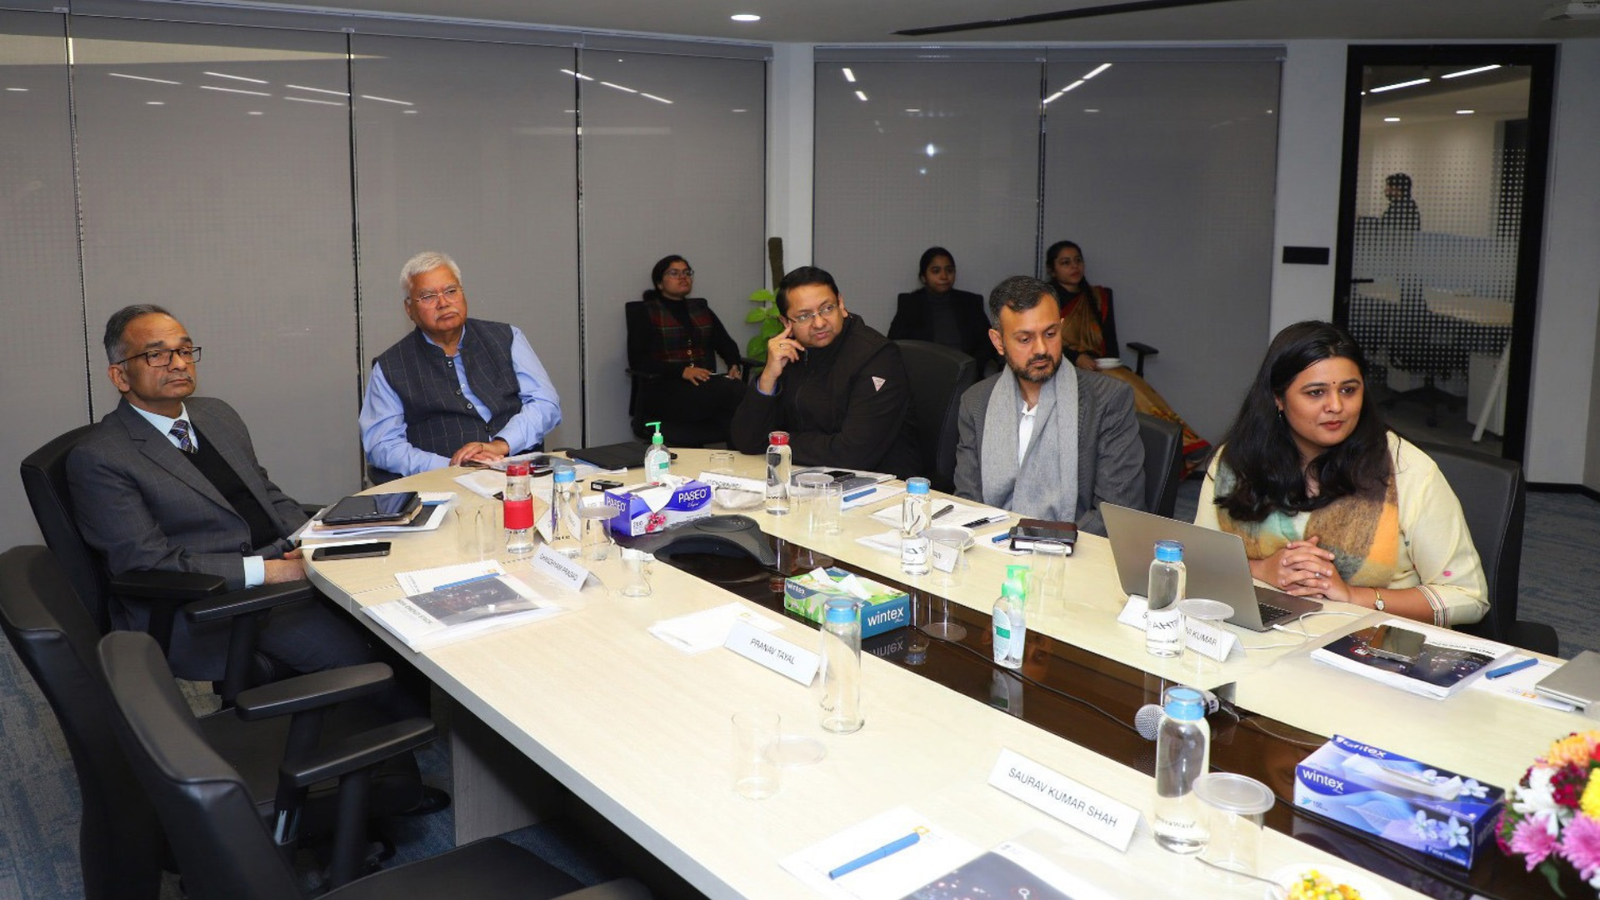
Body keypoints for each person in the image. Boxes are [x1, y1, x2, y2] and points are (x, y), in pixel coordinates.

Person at [67, 305, 375, 680]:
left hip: (284, 567)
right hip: (212, 604)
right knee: (364, 657)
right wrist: (272, 571)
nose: (178, 363)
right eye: (156, 355)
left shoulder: (216, 414)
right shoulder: (101, 457)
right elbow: (147, 563)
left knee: (391, 613)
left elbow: (265, 492)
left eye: (184, 350)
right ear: (120, 376)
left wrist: (307, 539)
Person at [1193, 321, 1487, 628]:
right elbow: (1199, 559)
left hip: (1375, 639)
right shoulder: (1237, 462)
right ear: (1278, 398)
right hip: (1261, 633)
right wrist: (1263, 569)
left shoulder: (1409, 471)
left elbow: (1468, 597)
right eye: (1316, 392)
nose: (1336, 406)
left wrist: (1352, 595)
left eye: (1349, 390)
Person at [953, 275, 1144, 537]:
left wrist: (1038, 546)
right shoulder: (976, 402)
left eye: (1051, 334)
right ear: (998, 342)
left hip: (1073, 550)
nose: (1041, 349)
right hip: (992, 546)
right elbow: (968, 502)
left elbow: (1116, 512)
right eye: (1025, 339)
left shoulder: (1108, 400)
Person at [361, 251, 561, 480]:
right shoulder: (390, 367)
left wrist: (501, 444)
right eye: (428, 297)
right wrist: (449, 466)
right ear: (409, 309)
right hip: (442, 485)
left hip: (519, 477)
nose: (443, 303)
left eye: (450, 291)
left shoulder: (507, 338)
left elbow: (545, 403)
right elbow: (382, 444)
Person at [729, 266, 920, 477]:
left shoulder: (877, 356)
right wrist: (768, 377)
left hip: (879, 484)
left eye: (827, 308)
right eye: (804, 316)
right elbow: (747, 440)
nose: (819, 323)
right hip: (807, 476)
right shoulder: (788, 353)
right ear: (785, 322)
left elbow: (853, 454)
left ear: (841, 304)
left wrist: (777, 443)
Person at [1045, 239, 1211, 472]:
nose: (1074, 267)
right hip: (1063, 367)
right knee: (1123, 387)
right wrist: (1075, 357)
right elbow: (1043, 341)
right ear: (1052, 270)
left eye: (1078, 260)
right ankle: (1183, 445)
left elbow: (1109, 341)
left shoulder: (1098, 297)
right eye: (1065, 263)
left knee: (1128, 385)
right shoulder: (1045, 300)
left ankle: (1176, 446)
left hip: (1100, 367)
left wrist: (1111, 363)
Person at [624, 255, 747, 446]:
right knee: (735, 393)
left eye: (687, 272)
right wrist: (682, 371)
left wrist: (733, 364)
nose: (683, 277)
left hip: (702, 387)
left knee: (736, 401)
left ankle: (739, 457)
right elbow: (639, 360)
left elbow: (725, 343)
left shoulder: (700, 309)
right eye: (674, 273)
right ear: (659, 283)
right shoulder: (646, 312)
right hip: (664, 389)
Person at [887, 246, 998, 371]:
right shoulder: (911, 304)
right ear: (923, 277)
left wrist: (971, 368)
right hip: (924, 372)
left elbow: (987, 342)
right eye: (936, 271)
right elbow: (896, 344)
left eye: (949, 270)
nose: (944, 276)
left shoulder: (970, 302)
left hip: (967, 372)